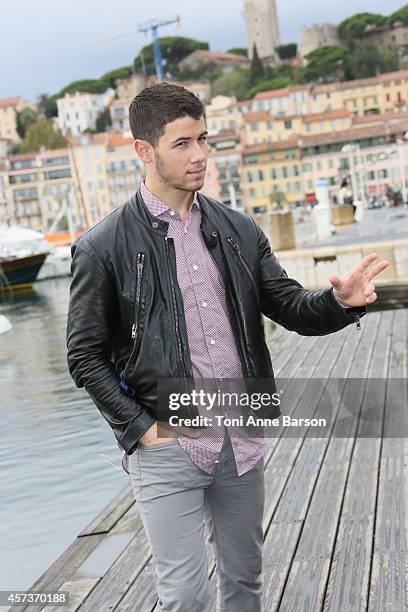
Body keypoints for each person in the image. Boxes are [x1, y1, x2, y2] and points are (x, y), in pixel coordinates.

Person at [66, 83, 389, 612]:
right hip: (168, 445)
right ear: (143, 151)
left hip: (240, 440)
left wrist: (340, 304)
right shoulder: (102, 247)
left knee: (245, 585)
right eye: (181, 143)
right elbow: (84, 356)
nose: (199, 156)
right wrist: (141, 428)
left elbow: (289, 307)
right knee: (185, 597)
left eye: (203, 139)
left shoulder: (237, 228)